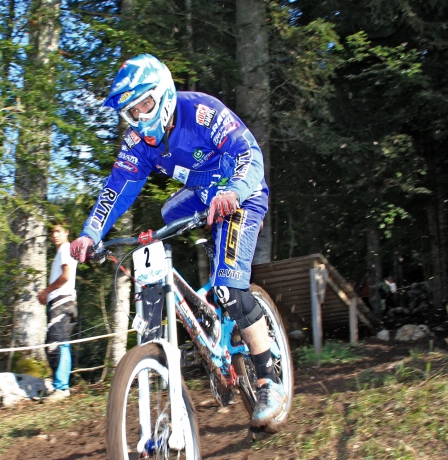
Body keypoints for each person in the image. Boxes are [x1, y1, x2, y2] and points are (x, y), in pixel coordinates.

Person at [69, 53, 286, 425]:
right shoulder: (138, 142)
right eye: (131, 112)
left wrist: (234, 192)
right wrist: (91, 233)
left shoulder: (202, 112)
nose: (139, 118)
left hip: (242, 193)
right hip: (202, 196)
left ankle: (269, 379)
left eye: (145, 105)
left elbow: (249, 153)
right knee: (169, 215)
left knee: (230, 288)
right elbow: (116, 189)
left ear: (164, 94)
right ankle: (210, 317)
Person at [38, 220, 78, 400]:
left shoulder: (65, 249)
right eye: (52, 232)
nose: (54, 235)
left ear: (66, 232)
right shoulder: (63, 251)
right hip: (63, 302)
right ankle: (62, 386)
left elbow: (66, 276)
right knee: (61, 342)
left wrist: (46, 291)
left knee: (55, 343)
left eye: (58, 231)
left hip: (63, 301)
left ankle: (61, 388)